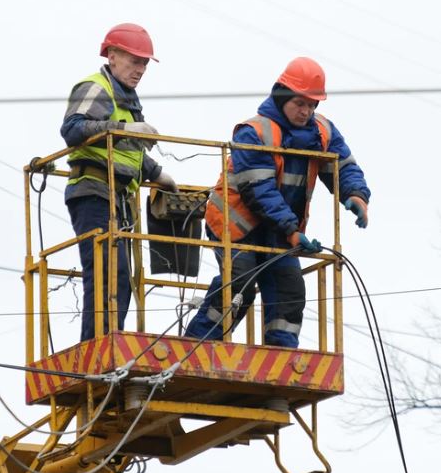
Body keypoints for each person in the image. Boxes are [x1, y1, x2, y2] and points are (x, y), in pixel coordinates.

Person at [183, 57, 371, 348]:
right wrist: (292, 231)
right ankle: (196, 346)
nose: (306, 111)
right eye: (300, 103)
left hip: (280, 230)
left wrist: (356, 194)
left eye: (312, 105)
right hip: (236, 223)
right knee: (239, 284)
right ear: (282, 96)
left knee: (289, 289)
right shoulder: (254, 132)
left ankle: (281, 354)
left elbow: (343, 165)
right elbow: (260, 191)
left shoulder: (322, 132)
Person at [60, 23, 177, 341]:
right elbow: (72, 130)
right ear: (112, 56)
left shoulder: (128, 100)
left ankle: (108, 343)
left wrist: (157, 174)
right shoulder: (97, 88)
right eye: (134, 60)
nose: (140, 69)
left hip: (119, 197)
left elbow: (126, 154)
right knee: (107, 273)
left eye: (143, 63)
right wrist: (124, 130)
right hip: (93, 192)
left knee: (120, 278)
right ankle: (97, 349)